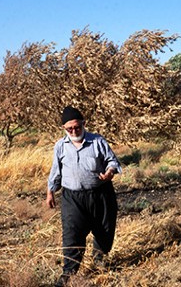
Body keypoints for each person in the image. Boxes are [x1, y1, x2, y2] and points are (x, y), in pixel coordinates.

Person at [46, 106, 121, 286]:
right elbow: (56, 171)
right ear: (64, 129)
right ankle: (69, 273)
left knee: (104, 229)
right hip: (72, 198)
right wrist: (50, 192)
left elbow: (112, 161)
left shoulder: (97, 141)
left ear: (83, 124)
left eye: (77, 127)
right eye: (69, 129)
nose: (74, 131)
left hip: (100, 194)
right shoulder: (60, 146)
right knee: (72, 233)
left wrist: (110, 172)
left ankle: (99, 260)